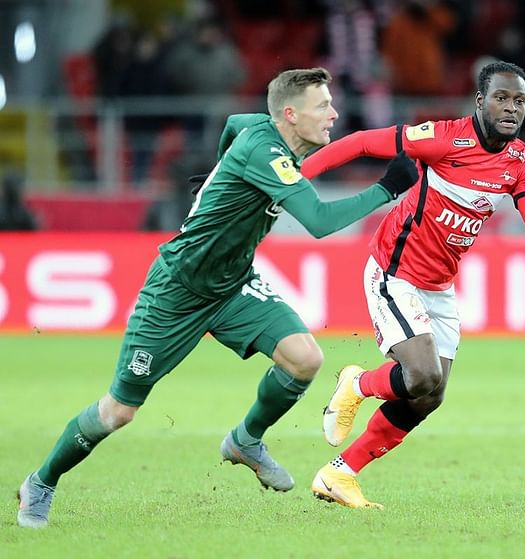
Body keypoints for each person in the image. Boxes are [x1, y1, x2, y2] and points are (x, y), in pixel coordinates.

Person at [16, 67, 419, 528]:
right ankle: (41, 481)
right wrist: (387, 187)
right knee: (118, 412)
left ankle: (246, 441)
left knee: (304, 358)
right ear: (290, 114)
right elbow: (320, 221)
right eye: (322, 106)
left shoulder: (256, 130)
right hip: (176, 291)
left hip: (232, 283)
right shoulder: (267, 154)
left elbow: (232, 123)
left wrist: (217, 174)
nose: (334, 113)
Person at [300, 61, 525, 509]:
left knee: (431, 396)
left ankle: (339, 474)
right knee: (421, 373)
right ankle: (359, 384)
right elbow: (363, 142)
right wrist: (296, 176)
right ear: (480, 101)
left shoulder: (522, 163)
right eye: (501, 98)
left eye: (519, 101)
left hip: (439, 285)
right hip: (395, 269)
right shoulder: (445, 137)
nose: (511, 108)